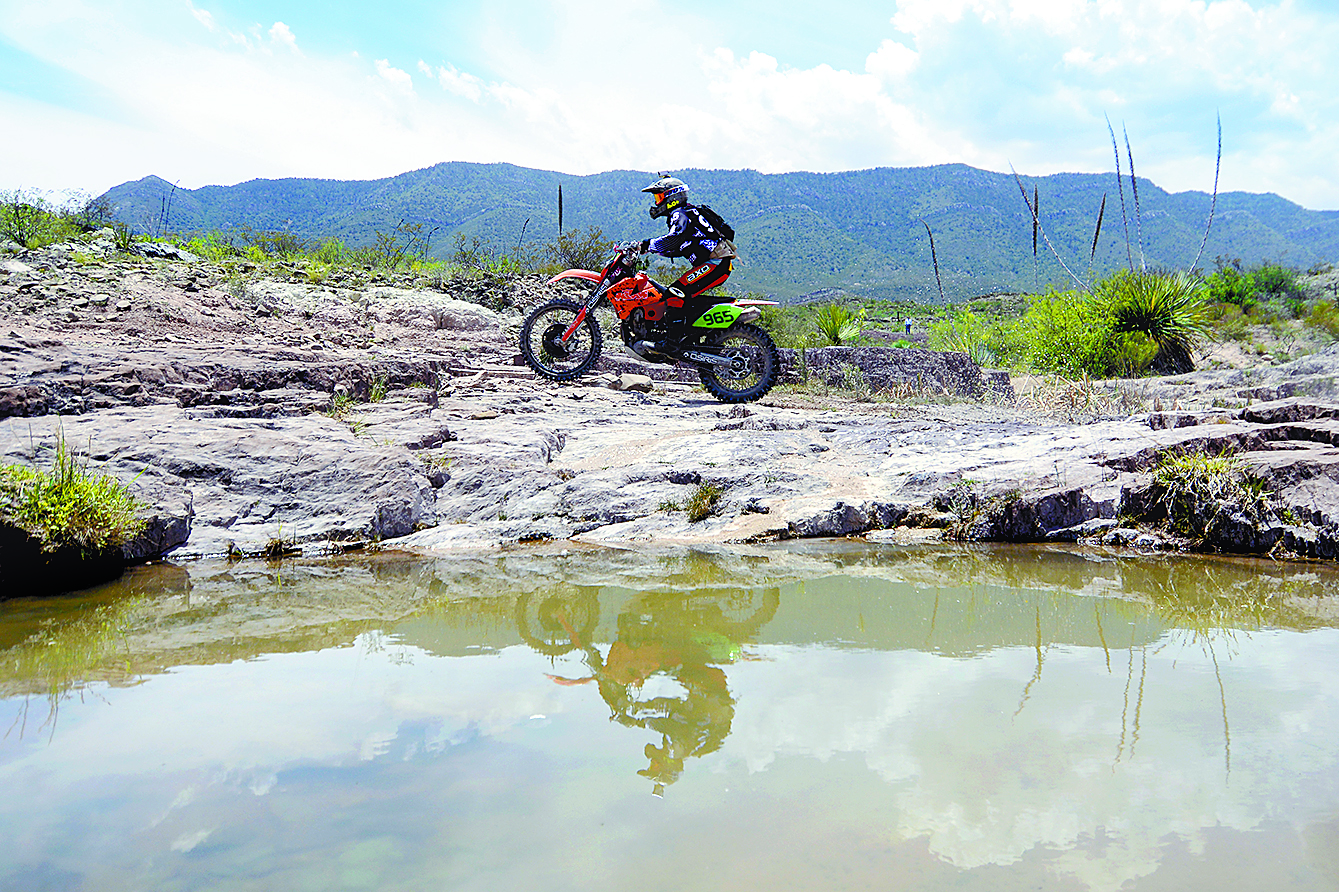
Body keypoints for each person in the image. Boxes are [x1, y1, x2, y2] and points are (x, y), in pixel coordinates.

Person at [636, 175, 737, 346]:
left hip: (715, 264)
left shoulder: (680, 214)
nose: (657, 202)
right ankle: (689, 336)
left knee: (675, 292)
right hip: (715, 264)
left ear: (672, 197)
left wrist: (645, 245)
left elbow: (674, 238)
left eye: (659, 197)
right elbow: (678, 246)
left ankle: (672, 343)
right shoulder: (687, 212)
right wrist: (652, 251)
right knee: (683, 297)